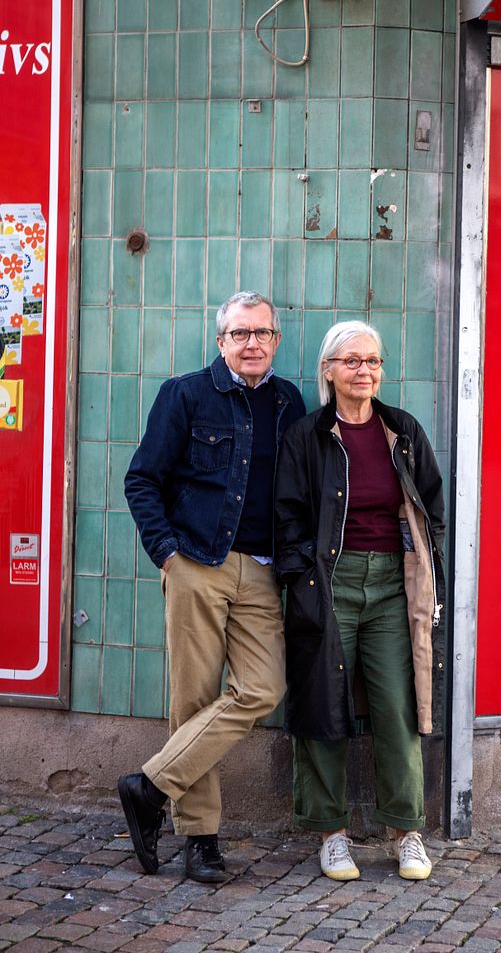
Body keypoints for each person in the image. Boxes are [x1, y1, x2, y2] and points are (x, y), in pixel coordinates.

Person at [119, 291, 305, 882]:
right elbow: (142, 480)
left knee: (262, 688)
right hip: (197, 560)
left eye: (263, 334)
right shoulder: (185, 393)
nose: (253, 344)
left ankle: (148, 787)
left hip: (261, 567)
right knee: (194, 699)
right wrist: (168, 555)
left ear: (277, 340)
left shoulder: (287, 401)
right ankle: (201, 839)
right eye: (241, 334)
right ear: (221, 341)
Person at [274, 320, 445, 882]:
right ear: (328, 370)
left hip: (392, 587)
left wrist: (425, 568)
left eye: (372, 361)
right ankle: (331, 833)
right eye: (351, 361)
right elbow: (289, 518)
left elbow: (431, 511)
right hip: (330, 583)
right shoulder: (308, 435)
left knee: (398, 705)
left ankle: (407, 830)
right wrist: (304, 580)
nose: (364, 371)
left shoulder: (403, 431)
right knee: (325, 702)